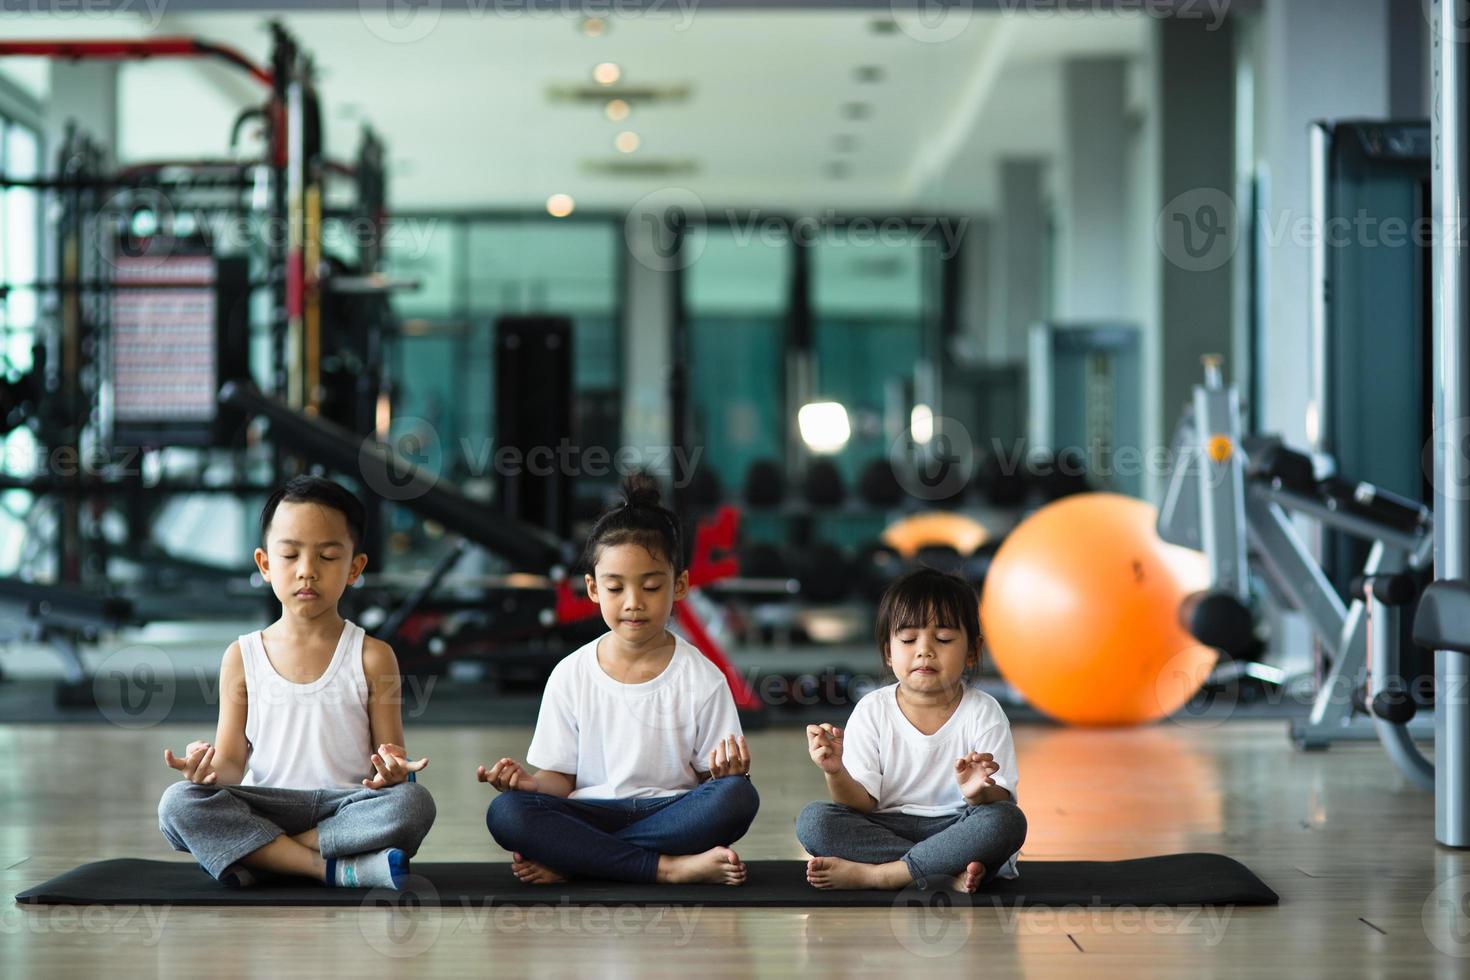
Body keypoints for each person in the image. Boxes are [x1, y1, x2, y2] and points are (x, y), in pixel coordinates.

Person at [157, 476, 435, 889]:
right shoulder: (241, 656)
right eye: (290, 555)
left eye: (326, 556)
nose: (307, 571)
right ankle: (325, 867)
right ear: (265, 564)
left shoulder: (374, 655)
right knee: (177, 804)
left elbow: (389, 759)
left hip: (347, 804)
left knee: (413, 804)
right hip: (268, 804)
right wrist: (204, 770)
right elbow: (232, 764)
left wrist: (393, 773)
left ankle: (259, 855)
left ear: (355, 568)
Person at [483, 474, 759, 885]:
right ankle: (665, 868)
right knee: (507, 813)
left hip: (669, 813)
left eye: (650, 587)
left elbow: (710, 785)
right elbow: (561, 779)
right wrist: (528, 784)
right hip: (592, 812)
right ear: (593, 589)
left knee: (737, 797)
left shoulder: (703, 677)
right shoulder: (571, 673)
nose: (633, 603)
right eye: (615, 588)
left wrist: (725, 773)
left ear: (679, 585)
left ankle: (580, 860)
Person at [796, 566, 1027, 892]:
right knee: (814, 821)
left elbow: (1001, 799)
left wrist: (979, 793)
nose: (925, 650)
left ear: (973, 651)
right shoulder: (872, 709)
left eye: (944, 638)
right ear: (889, 652)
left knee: (1005, 822)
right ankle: (942, 872)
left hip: (956, 827)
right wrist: (835, 772)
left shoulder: (984, 711)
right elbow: (860, 804)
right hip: (885, 826)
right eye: (908, 639)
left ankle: (882, 875)